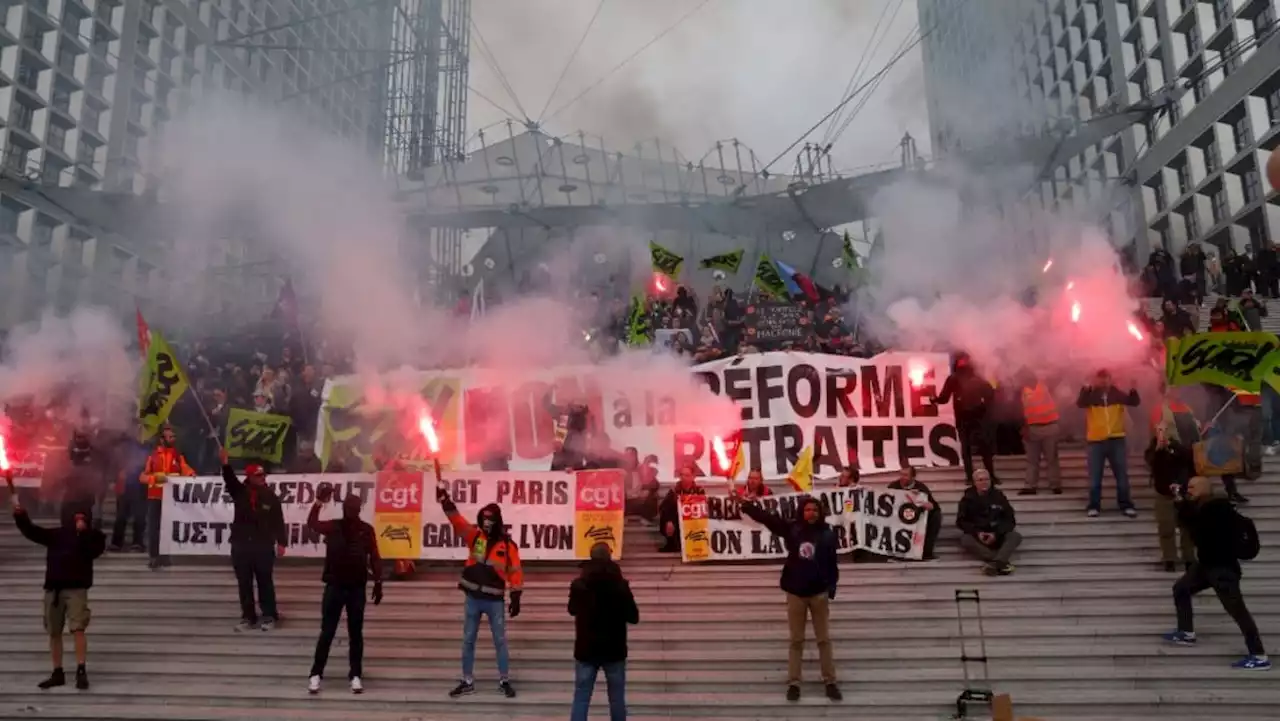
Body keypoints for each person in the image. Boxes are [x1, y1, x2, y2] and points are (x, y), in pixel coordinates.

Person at [11, 469, 106, 691]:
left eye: (82, 516)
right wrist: (20, 516)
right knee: (54, 632)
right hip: (53, 589)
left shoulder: (94, 537)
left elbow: (92, 551)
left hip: (76, 589)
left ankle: (81, 670)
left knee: (78, 628)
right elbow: (32, 531)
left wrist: (83, 533)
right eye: (76, 515)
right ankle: (57, 671)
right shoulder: (56, 535)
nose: (78, 518)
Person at [740, 494, 842, 702]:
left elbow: (832, 563)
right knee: (796, 640)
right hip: (796, 593)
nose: (811, 513)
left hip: (819, 594)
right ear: (801, 512)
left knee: (823, 640)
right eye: (807, 510)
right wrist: (747, 506)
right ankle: (794, 682)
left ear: (820, 512)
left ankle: (830, 681)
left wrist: (830, 588)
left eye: (814, 509)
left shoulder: (828, 534)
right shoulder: (793, 529)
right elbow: (769, 519)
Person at [1163, 476, 1269, 670]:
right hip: (1206, 566)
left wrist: (1182, 505)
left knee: (1239, 613)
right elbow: (1192, 524)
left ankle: (1259, 655)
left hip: (1222, 569)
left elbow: (1197, 527)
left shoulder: (1217, 509)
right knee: (1181, 588)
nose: (1189, 490)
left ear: (1204, 489)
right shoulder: (1204, 507)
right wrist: (1181, 503)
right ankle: (1186, 632)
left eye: (1193, 487)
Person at [436, 486, 523, 699]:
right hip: (473, 599)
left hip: (494, 601)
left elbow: (516, 571)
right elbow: (457, 522)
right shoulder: (475, 537)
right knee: (468, 640)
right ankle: (467, 681)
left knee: (500, 641)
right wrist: (446, 502)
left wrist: (516, 595)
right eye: (484, 518)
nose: (487, 522)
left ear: (498, 520)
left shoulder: (507, 545)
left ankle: (504, 681)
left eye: (490, 518)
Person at [306, 486, 383, 694]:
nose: (352, 510)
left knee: (356, 633)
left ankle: (356, 675)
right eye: (350, 507)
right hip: (335, 586)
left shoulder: (366, 530)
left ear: (359, 509)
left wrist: (378, 581)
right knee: (327, 632)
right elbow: (312, 523)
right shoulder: (334, 526)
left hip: (357, 587)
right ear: (344, 509)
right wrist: (319, 502)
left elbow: (374, 556)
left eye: (355, 507)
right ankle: (316, 674)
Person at [219, 447, 288, 632]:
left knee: (265, 581)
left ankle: (269, 615)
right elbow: (229, 479)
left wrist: (282, 542)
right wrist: (225, 463)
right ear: (249, 477)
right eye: (258, 476)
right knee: (244, 583)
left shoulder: (271, 496)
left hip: (263, 546)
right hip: (241, 545)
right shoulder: (239, 492)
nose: (262, 478)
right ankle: (248, 617)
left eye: (263, 475)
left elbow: (278, 521)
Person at [569, 542, 639, 721]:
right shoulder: (620, 585)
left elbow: (572, 610)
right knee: (616, 699)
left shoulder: (579, 584)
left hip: (586, 649)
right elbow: (633, 617)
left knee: (581, 697)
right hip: (614, 649)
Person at [1076, 369, 1140, 518]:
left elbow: (1134, 402)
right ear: (1096, 380)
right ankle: (1094, 505)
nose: (1104, 381)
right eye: (1101, 378)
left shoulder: (1117, 393)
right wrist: (1085, 388)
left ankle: (1126, 504)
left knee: (1121, 475)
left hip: (1116, 439)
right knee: (1095, 477)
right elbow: (1080, 403)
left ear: (1111, 379)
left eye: (1106, 378)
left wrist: (1133, 389)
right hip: (1095, 441)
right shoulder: (1090, 394)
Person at [934, 352, 999, 485]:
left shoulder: (965, 378)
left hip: (972, 418)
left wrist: (934, 399)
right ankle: (979, 476)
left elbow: (990, 393)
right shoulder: (960, 378)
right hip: (971, 418)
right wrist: (934, 399)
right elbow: (944, 398)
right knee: (975, 448)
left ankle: (981, 476)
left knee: (976, 448)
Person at [1146, 410, 1197, 572]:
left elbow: (1189, 458)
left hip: (1183, 492)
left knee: (1187, 528)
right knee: (1165, 527)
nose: (1162, 432)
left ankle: (1189, 558)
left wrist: (1172, 445)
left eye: (1165, 429)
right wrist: (1159, 448)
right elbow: (1150, 462)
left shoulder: (1181, 445)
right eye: (1159, 429)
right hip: (1163, 493)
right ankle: (1169, 558)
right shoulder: (1153, 447)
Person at [140, 425, 196, 570]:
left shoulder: (178, 455)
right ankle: (154, 556)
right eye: (170, 436)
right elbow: (142, 477)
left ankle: (166, 556)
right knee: (154, 528)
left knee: (169, 528)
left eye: (173, 436)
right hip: (155, 497)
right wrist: (154, 478)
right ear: (162, 439)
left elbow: (185, 468)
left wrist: (192, 475)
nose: (173, 439)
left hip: (171, 499)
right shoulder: (152, 456)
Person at [956, 469, 1021, 576]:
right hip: (978, 535)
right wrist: (978, 532)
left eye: (987, 479)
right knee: (965, 539)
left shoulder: (999, 496)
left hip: (997, 534)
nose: (984, 482)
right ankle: (1000, 560)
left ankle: (994, 564)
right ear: (975, 482)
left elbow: (1010, 519)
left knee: (1015, 536)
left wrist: (996, 533)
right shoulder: (967, 499)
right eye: (980, 480)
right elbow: (961, 521)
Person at [1018, 371, 1062, 495]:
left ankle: (1055, 485)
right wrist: (1024, 428)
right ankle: (1030, 486)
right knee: (1032, 460)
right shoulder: (1022, 391)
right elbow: (1021, 410)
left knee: (1052, 458)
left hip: (1050, 426)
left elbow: (1058, 378)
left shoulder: (1046, 385)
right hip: (1032, 428)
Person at [887, 465, 941, 560]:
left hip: (917, 517)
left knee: (936, 516)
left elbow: (933, 506)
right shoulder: (893, 486)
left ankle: (926, 553)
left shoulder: (921, 487)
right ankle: (896, 552)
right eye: (901, 474)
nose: (902, 477)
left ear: (913, 477)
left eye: (905, 475)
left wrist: (929, 505)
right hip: (898, 518)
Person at [657, 463, 706, 553]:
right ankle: (671, 544)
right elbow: (664, 507)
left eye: (687, 475)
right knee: (667, 517)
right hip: (677, 520)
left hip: (694, 520)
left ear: (693, 477)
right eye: (682, 475)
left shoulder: (699, 490)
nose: (683, 477)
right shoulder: (674, 490)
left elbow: (704, 508)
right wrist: (669, 521)